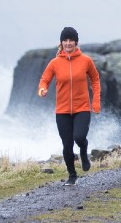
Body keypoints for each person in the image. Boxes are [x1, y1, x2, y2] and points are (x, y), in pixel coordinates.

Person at [38, 26, 101, 185]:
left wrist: (96, 102)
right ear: (61, 42)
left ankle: (84, 150)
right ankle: (72, 175)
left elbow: (95, 80)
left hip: (82, 108)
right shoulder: (54, 63)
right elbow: (44, 80)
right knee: (67, 145)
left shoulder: (86, 60)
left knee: (79, 137)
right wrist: (42, 89)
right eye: (65, 40)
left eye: (71, 40)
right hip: (62, 110)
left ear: (76, 42)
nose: (68, 43)